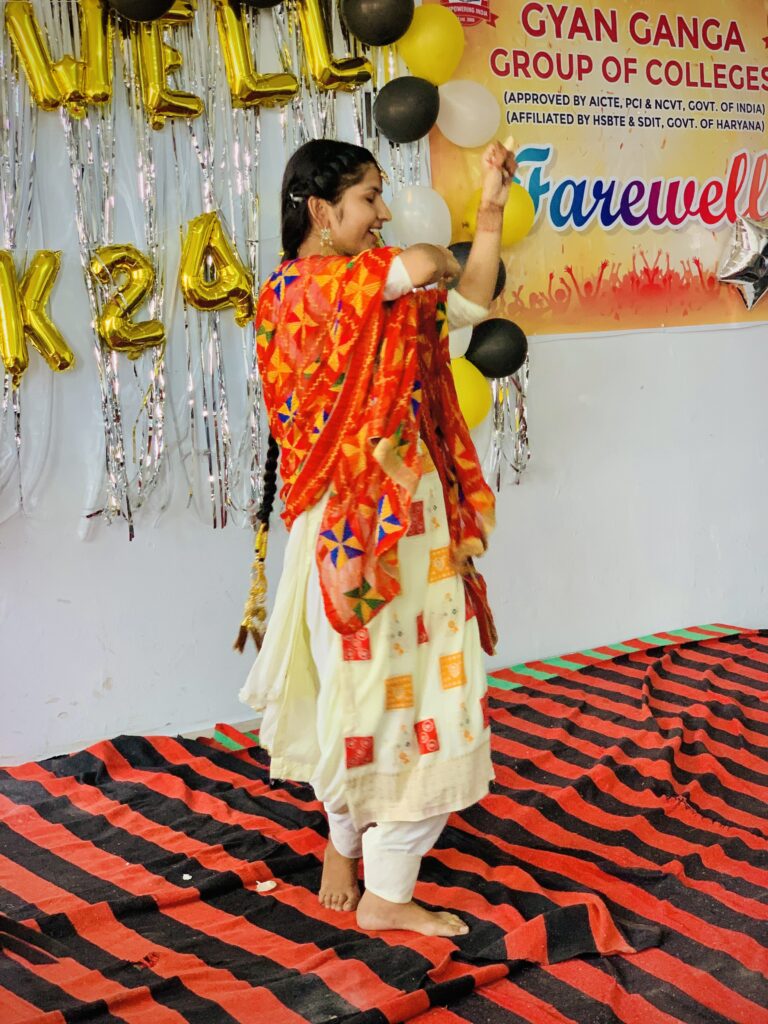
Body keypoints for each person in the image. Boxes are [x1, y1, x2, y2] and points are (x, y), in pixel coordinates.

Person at [239, 137, 517, 937]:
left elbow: (467, 302)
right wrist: (430, 257)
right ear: (321, 210)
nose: (385, 212)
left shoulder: (377, 292)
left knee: (421, 696)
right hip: (351, 532)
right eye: (369, 197)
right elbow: (423, 265)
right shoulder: (299, 292)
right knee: (363, 696)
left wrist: (490, 212)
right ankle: (364, 865)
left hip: (413, 525)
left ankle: (371, 870)